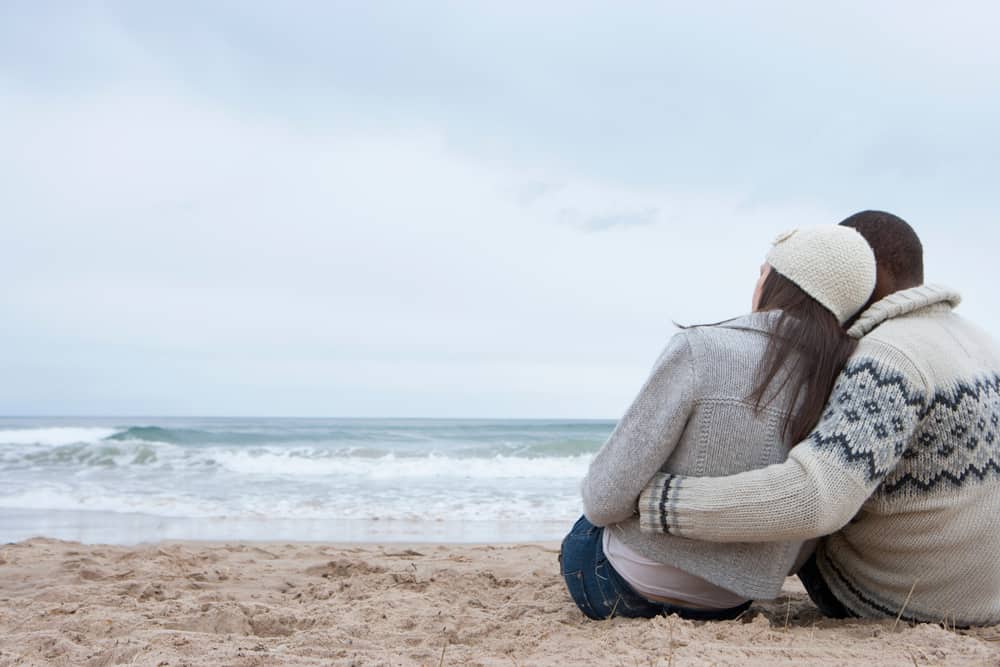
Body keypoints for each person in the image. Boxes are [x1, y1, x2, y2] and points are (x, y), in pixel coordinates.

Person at [638, 211, 1000, 628]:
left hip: (905, 601)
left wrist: (657, 500)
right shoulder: (981, 342)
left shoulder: (886, 358)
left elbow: (814, 499)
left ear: (866, 272)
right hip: (983, 594)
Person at [560, 225, 878, 620]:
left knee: (588, 520)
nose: (757, 282)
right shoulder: (849, 381)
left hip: (622, 587)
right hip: (727, 602)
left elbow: (603, 500)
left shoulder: (700, 349)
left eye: (763, 272)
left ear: (781, 281)